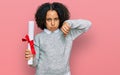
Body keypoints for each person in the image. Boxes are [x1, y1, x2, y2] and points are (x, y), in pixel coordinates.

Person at [25, 2, 92, 75]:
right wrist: (32, 57)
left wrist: (69, 23)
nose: (53, 23)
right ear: (43, 20)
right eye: (49, 19)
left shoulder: (68, 33)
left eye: (56, 19)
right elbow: (34, 64)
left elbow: (88, 24)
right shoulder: (38, 38)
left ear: (60, 19)